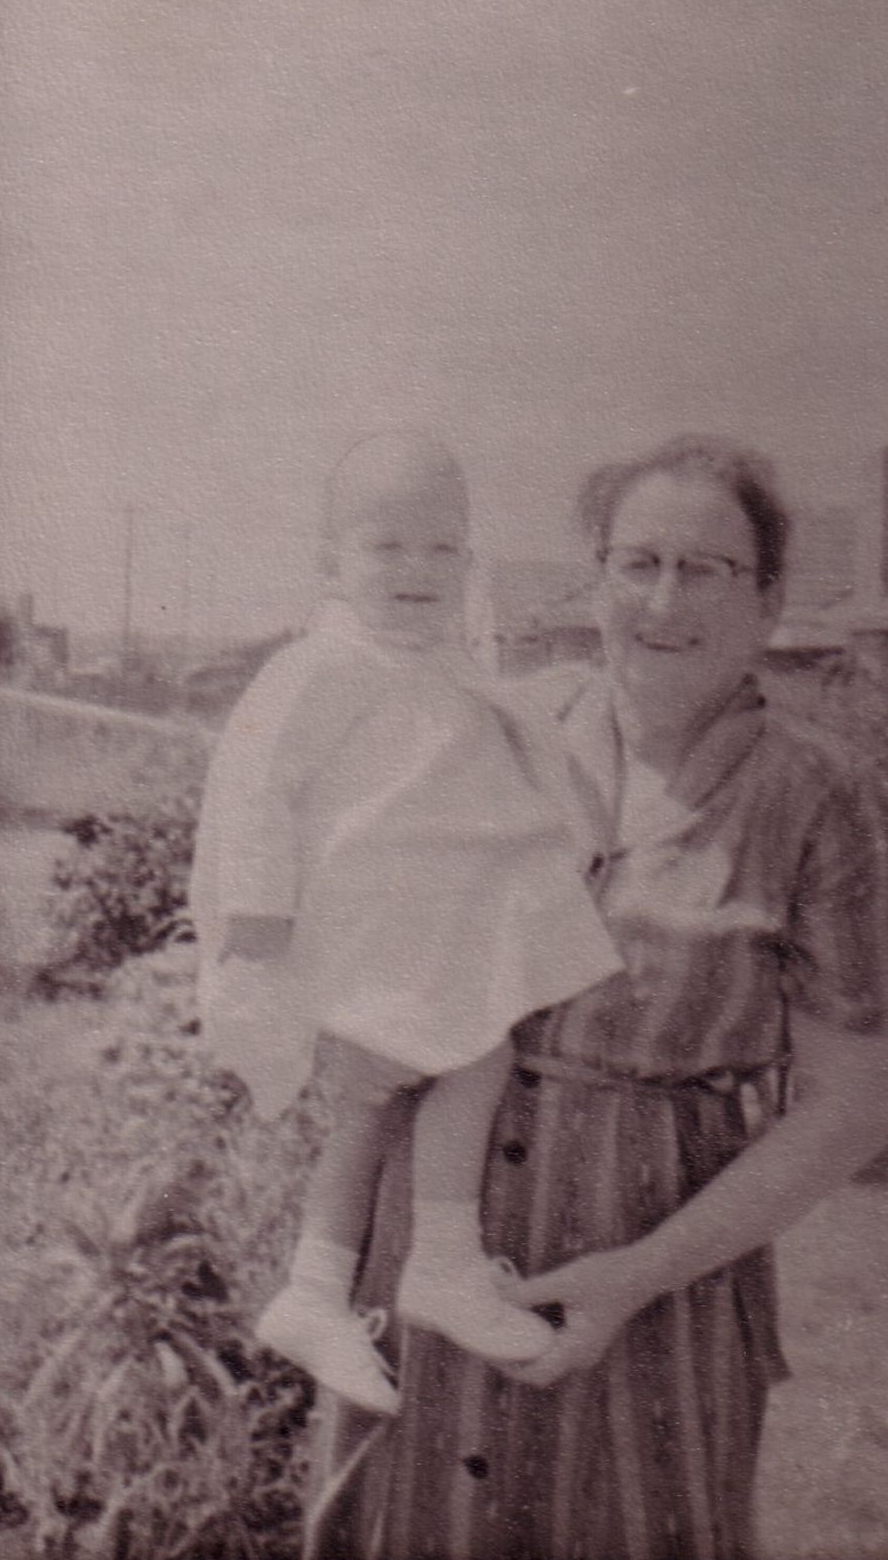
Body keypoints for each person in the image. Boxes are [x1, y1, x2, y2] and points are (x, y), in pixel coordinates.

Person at [305, 432, 888, 1560]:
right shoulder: (490, 727)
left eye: (705, 570)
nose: (663, 599)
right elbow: (341, 878)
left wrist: (631, 1281)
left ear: (769, 602)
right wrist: (336, 1024)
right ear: (594, 580)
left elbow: (845, 1110)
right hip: (428, 1262)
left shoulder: (822, 802)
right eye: (637, 563)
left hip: (652, 1289)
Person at [190, 429, 619, 1416]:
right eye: (387, 546)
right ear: (329, 562)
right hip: (350, 934)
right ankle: (433, 1263)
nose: (417, 570)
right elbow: (257, 787)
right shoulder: (318, 668)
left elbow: (512, 744)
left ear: (468, 563)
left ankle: (329, 1286)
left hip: (421, 932)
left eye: (441, 549)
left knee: (432, 1082)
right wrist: (257, 930)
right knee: (420, 1078)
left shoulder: (448, 666)